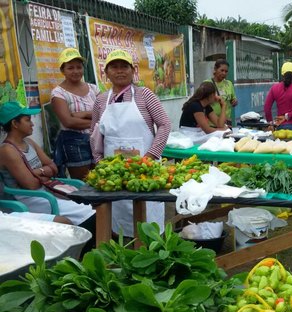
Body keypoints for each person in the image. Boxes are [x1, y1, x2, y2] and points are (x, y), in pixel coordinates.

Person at [90, 49, 171, 238]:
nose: (120, 71)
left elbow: (165, 124)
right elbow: (94, 133)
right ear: (106, 72)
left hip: (145, 169)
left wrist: (151, 156)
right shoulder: (101, 100)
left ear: (133, 70)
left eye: (124, 66)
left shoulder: (145, 95)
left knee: (147, 219)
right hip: (115, 173)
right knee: (119, 216)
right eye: (114, 67)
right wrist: (99, 160)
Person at [0, 101, 94, 227]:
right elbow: (31, 185)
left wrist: (37, 172)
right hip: (31, 198)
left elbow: (53, 167)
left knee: (92, 204)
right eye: (28, 120)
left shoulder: (29, 142)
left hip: (47, 190)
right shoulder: (7, 150)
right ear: (14, 123)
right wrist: (45, 172)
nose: (32, 124)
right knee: (89, 212)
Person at [51, 48, 99, 180]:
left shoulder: (93, 89)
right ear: (62, 71)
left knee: (100, 179)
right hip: (74, 143)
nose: (76, 71)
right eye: (70, 68)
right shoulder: (58, 93)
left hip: (97, 140)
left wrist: (83, 114)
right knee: (84, 183)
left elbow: (106, 112)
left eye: (79, 67)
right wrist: (97, 121)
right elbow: (69, 122)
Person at [263, 61, 292, 130]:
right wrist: (287, 116)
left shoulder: (274, 88)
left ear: (282, 75)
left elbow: (267, 108)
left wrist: (270, 123)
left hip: (280, 126)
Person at [208, 59, 237, 126]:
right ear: (215, 69)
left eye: (226, 71)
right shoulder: (207, 84)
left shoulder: (229, 84)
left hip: (226, 122)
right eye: (222, 70)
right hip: (212, 123)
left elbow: (233, 99)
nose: (224, 73)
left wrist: (234, 101)